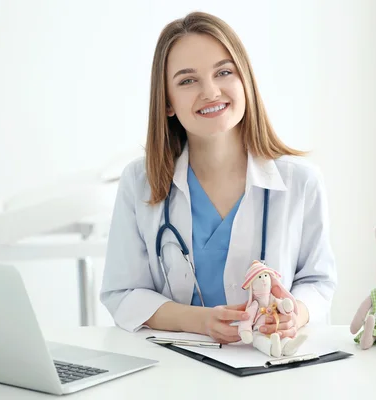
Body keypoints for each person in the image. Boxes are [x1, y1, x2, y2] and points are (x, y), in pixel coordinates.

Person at [99, 11, 337, 344]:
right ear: (167, 102)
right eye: (187, 80)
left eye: (223, 72)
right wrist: (199, 321)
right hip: (174, 368)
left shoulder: (301, 182)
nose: (210, 91)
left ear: (245, 81)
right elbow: (122, 293)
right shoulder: (140, 182)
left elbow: (318, 281)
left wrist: (295, 312)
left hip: (269, 366)